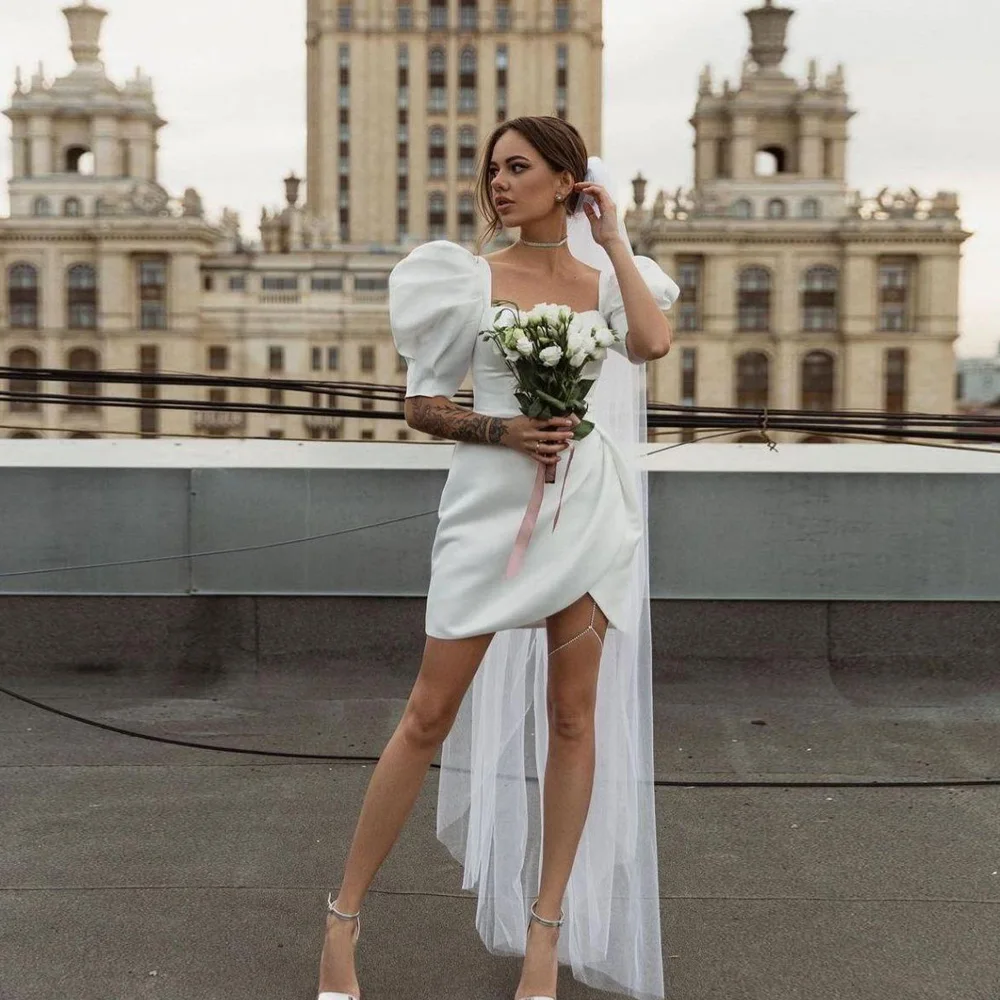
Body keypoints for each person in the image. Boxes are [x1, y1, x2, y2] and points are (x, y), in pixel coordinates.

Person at [316, 115, 678, 1000]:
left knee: (571, 720)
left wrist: (616, 238)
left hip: (584, 508)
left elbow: (653, 343)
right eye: (493, 171)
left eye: (519, 168)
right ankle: (342, 918)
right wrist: (503, 428)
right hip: (487, 509)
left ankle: (545, 933)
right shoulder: (462, 278)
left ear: (568, 181)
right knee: (427, 715)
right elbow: (421, 404)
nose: (498, 184)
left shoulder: (605, 282)